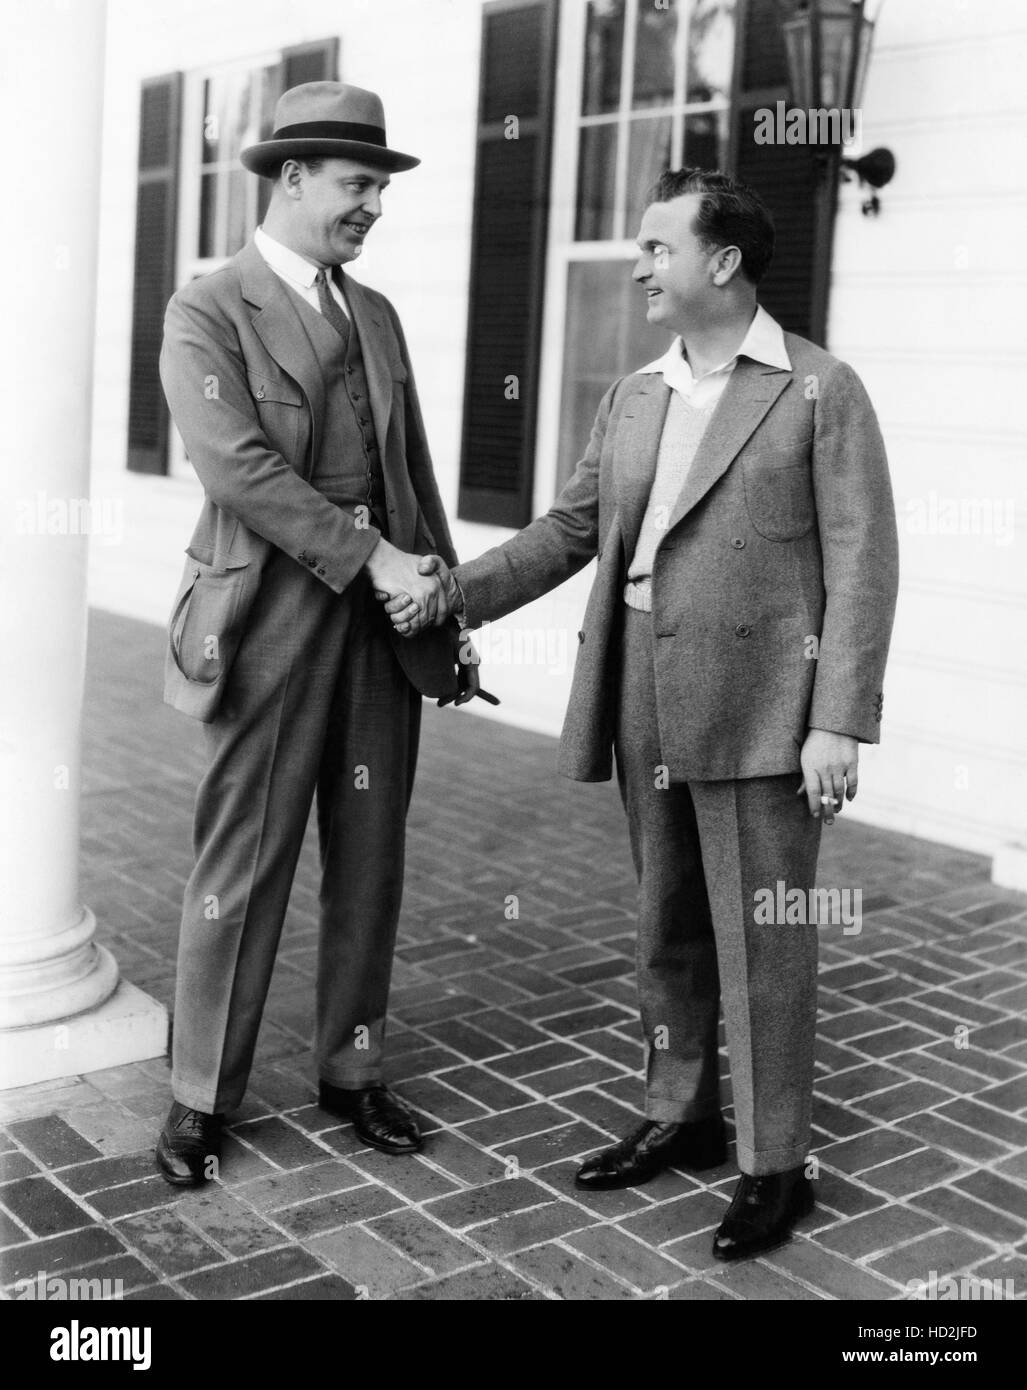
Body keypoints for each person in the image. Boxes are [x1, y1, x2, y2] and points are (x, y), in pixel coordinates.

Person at [385, 169, 899, 1261]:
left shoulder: (818, 388)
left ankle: (773, 1164)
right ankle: (681, 1111)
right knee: (666, 920)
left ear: (722, 262)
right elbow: (568, 530)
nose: (638, 267)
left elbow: (863, 561)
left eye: (658, 248)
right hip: (640, 695)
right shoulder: (634, 394)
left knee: (762, 939)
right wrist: (450, 592)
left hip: (767, 706)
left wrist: (837, 720)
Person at [155, 81, 474, 1187]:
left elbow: (412, 471)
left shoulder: (373, 313)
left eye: (379, 186)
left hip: (384, 631)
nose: (374, 205)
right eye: (357, 184)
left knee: (370, 859)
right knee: (242, 863)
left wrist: (443, 598)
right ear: (291, 178)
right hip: (268, 619)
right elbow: (237, 467)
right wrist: (369, 554)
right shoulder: (207, 309)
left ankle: (352, 1069)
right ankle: (202, 1092)